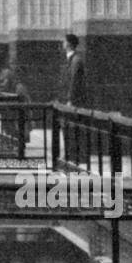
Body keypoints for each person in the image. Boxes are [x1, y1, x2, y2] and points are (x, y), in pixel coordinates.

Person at [59, 33, 88, 165]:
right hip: (68, 100)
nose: (62, 43)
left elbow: (74, 82)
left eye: (64, 41)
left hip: (73, 101)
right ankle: (71, 154)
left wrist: (70, 99)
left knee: (72, 127)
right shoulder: (71, 59)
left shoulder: (76, 60)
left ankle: (75, 156)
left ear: (69, 44)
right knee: (67, 127)